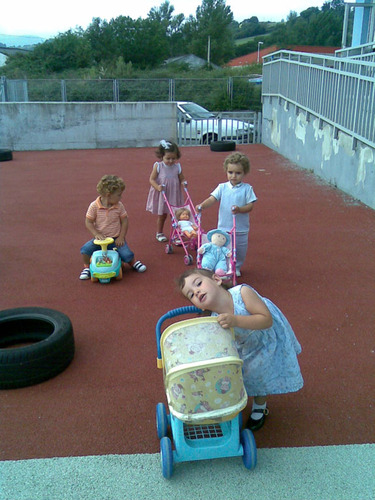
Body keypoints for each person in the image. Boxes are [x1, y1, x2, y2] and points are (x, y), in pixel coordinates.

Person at [177, 268, 303, 431]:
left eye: (199, 284)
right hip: (246, 346)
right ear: (197, 306)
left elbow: (266, 320)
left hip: (264, 338)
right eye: (191, 294)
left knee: (262, 374)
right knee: (246, 373)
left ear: (217, 279)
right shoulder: (214, 319)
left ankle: (260, 405)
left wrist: (235, 320)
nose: (197, 291)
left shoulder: (242, 293)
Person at [196, 152, 257, 277]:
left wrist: (240, 209)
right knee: (224, 248)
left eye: (238, 173)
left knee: (240, 249)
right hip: (224, 227)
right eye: (230, 172)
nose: (233, 176)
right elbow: (212, 199)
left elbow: (250, 206)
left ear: (244, 173)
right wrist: (202, 205)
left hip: (241, 228)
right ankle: (223, 266)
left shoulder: (247, 189)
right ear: (226, 171)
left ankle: (237, 266)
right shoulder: (222, 187)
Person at [79, 175, 146, 280]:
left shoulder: (119, 206)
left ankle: (133, 263)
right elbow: (88, 222)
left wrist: (121, 237)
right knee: (85, 250)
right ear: (108, 195)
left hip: (115, 238)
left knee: (127, 254)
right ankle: (87, 267)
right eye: (119, 195)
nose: (121, 197)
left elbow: (124, 221)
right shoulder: (94, 206)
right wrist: (96, 234)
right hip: (100, 240)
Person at [146, 140, 185, 242]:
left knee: (176, 215)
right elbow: (151, 179)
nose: (171, 161)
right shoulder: (158, 166)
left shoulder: (177, 167)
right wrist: (157, 187)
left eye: (173, 158)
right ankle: (159, 232)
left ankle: (176, 234)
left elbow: (182, 178)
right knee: (162, 215)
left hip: (174, 194)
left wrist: (184, 183)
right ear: (162, 156)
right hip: (163, 194)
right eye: (168, 158)